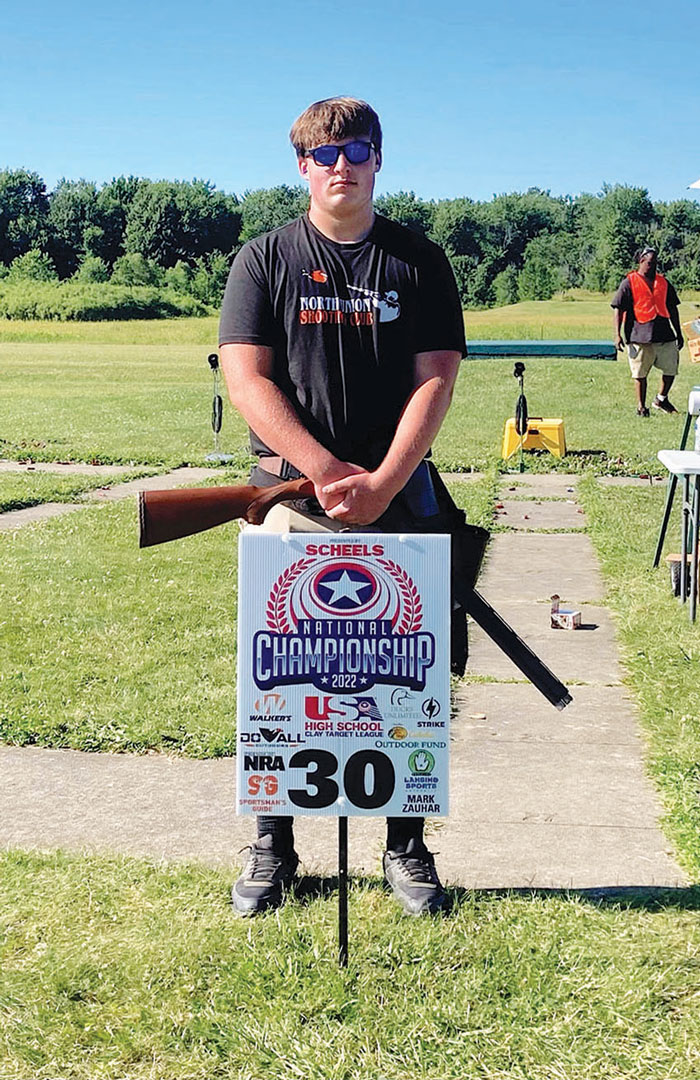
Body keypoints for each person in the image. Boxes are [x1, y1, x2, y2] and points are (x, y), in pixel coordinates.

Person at [218, 97, 467, 917]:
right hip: (296, 496)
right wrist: (325, 471)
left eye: (356, 151)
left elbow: (437, 374)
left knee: (409, 676)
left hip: (401, 489)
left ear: (379, 160)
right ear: (302, 167)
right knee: (283, 681)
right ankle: (273, 843)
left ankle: (406, 846)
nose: (341, 166)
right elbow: (246, 375)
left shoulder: (419, 261)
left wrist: (389, 479)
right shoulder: (264, 260)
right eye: (324, 155)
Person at [612, 247, 684, 417]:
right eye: (650, 263)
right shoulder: (629, 282)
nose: (653, 266)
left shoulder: (664, 282)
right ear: (641, 261)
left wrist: (678, 332)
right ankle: (641, 407)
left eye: (655, 263)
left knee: (671, 368)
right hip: (639, 335)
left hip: (664, 334)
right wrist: (617, 334)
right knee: (640, 373)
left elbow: (673, 308)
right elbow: (618, 308)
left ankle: (661, 399)